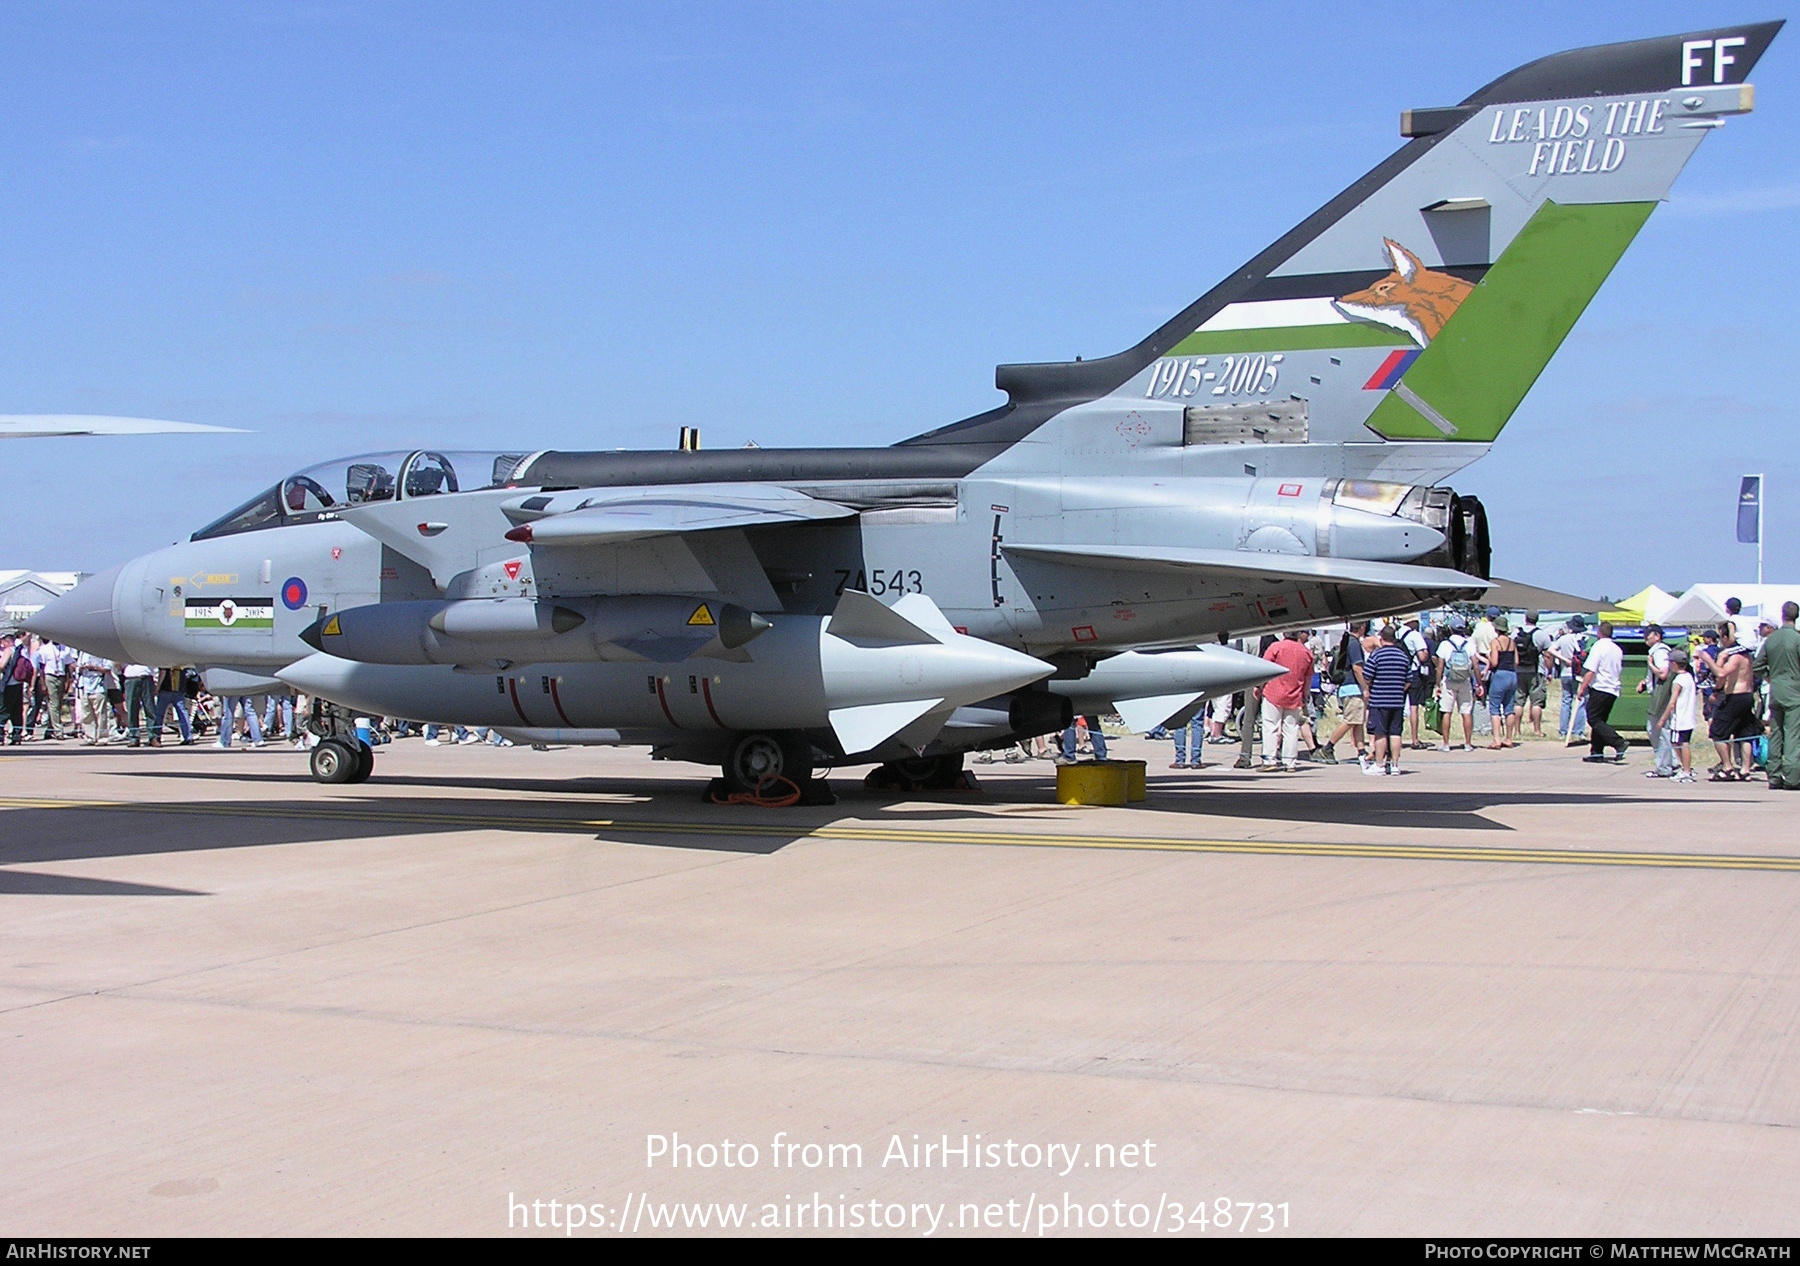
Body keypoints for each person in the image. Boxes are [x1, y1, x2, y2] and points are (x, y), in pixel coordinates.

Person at [1755, 601, 1800, 790]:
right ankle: (1792, 776)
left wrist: (1769, 677)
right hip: (1795, 691)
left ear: (1782, 615)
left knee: (1776, 733)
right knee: (1793, 734)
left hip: (1776, 690)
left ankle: (1773, 775)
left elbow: (1757, 666)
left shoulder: (1770, 640)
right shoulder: (1797, 639)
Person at [1707, 622, 1758, 780]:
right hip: (1746, 696)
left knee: (1718, 732)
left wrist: (1708, 659)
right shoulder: (1746, 656)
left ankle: (1727, 767)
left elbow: (1721, 674)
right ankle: (1745, 770)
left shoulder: (1735, 657)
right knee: (1744, 733)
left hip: (1736, 697)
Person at [1259, 630, 1315, 772]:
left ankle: (1269, 760)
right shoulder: (1306, 652)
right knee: (1291, 729)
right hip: (1295, 694)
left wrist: (1258, 686)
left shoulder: (1275, 647)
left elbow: (1264, 668)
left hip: (1273, 692)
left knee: (1270, 726)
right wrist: (1305, 695)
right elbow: (1308, 677)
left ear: (1284, 634)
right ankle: (1290, 762)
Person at [1575, 621, 1629, 764]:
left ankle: (1618, 742)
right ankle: (1596, 752)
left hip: (1600, 687)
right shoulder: (1617, 649)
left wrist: (1582, 688)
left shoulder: (1598, 647)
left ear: (1599, 633)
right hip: (1613, 688)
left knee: (1593, 719)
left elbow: (1591, 670)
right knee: (1600, 720)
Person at [1363, 625, 1413, 776]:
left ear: (1381, 639)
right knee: (1395, 733)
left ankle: (1379, 765)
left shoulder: (1377, 655)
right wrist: (1399, 690)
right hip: (1397, 700)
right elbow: (1409, 679)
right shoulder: (1403, 656)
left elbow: (1367, 676)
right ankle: (1395, 765)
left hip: (1379, 700)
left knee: (1380, 733)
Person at [1317, 622, 1369, 766]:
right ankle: (1328, 747)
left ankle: (1361, 751)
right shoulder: (1354, 644)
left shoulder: (1346, 642)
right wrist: (1365, 687)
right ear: (1362, 627)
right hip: (1353, 687)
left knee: (1357, 721)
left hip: (1346, 687)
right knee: (1350, 720)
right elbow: (1357, 668)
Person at [1435, 617, 1478, 751]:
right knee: (1466, 711)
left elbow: (1440, 667)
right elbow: (1475, 665)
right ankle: (1468, 743)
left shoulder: (1445, 644)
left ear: (1450, 629)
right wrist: (1479, 683)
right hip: (1465, 680)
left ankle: (1446, 743)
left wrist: (1437, 684)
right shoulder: (1469, 644)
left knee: (1447, 711)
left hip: (1449, 681)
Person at [1638, 625, 1676, 778]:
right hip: (1660, 694)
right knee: (1659, 730)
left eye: (1648, 634)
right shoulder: (1659, 651)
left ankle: (1664, 767)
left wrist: (1651, 664)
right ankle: (1672, 763)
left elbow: (1663, 673)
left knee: (1657, 731)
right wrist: (1645, 681)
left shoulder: (1659, 652)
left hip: (1661, 697)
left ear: (1657, 636)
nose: (1645, 637)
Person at [1656, 648, 1698, 783]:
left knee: (1678, 743)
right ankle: (1686, 769)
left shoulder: (1678, 680)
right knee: (1680, 742)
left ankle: (1686, 770)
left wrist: (1662, 719)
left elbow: (1672, 702)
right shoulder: (1689, 677)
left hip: (1679, 719)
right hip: (1689, 718)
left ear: (1674, 663)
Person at [1551, 616, 1590, 742]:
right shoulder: (1586, 639)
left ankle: (1563, 730)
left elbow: (1551, 649)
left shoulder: (1564, 639)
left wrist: (1564, 660)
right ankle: (1578, 730)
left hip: (1565, 672)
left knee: (1566, 701)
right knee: (1580, 700)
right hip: (1579, 674)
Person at [1484, 616, 1520, 749]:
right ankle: (1509, 738)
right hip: (1512, 675)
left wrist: (1488, 656)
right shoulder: (1512, 642)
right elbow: (1516, 661)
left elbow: (1494, 662)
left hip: (1500, 675)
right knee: (1509, 707)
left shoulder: (1495, 642)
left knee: (1494, 707)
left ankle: (1497, 739)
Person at [1515, 610, 1549, 738]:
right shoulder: (1541, 634)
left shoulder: (1516, 633)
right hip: (1536, 671)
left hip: (1519, 671)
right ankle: (1537, 730)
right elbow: (1548, 654)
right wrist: (1548, 671)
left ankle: (1517, 731)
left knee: (1518, 702)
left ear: (1525, 618)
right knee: (1536, 703)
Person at [73, 652, 115, 745]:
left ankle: (102, 737)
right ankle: (90, 737)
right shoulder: (83, 653)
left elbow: (107, 669)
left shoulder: (102, 652)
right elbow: (77, 667)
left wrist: (94, 667)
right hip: (84, 686)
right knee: (87, 714)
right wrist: (81, 668)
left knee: (101, 714)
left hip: (98, 686)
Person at [149, 664, 195, 746]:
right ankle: (188, 736)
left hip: (166, 688)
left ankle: (156, 736)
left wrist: (157, 687)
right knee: (182, 713)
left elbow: (163, 672)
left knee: (160, 715)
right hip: (179, 688)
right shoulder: (181, 661)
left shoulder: (166, 660)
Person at [2, 633, 32, 745]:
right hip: (19, 683)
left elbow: (1, 665)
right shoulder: (20, 649)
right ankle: (16, 735)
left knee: (3, 710)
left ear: (6, 641)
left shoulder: (9, 650)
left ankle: (0, 735)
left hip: (8, 684)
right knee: (16, 711)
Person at [122, 663, 156, 746]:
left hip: (146, 677)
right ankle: (134, 737)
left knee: (150, 709)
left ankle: (153, 737)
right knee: (132, 709)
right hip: (131, 678)